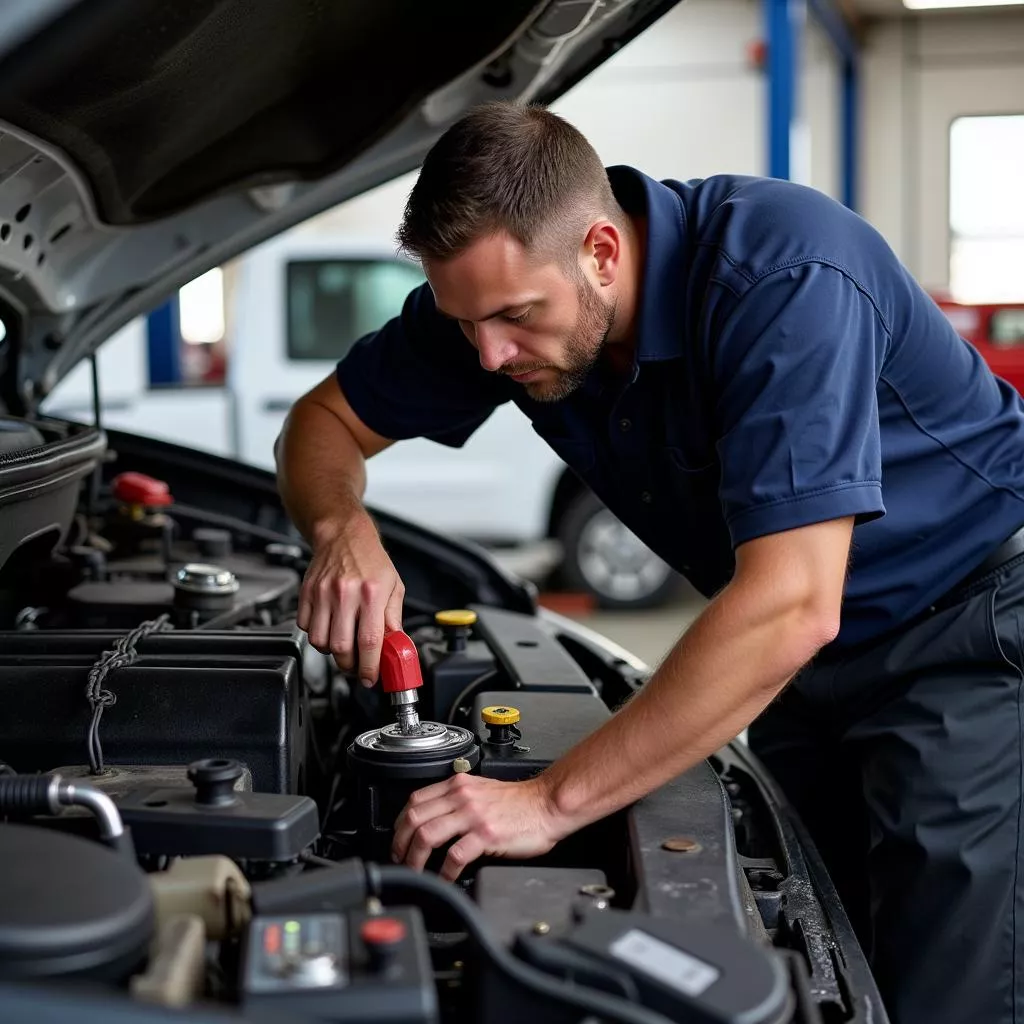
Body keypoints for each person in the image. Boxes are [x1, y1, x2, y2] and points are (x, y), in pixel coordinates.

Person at [275, 101, 1024, 1024]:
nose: (490, 355)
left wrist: (549, 802)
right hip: (806, 667)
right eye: (466, 323)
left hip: (965, 639)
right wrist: (340, 524)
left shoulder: (785, 275)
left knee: (945, 993)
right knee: (822, 964)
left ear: (599, 250)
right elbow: (322, 423)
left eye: (515, 318)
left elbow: (792, 603)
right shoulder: (492, 304)